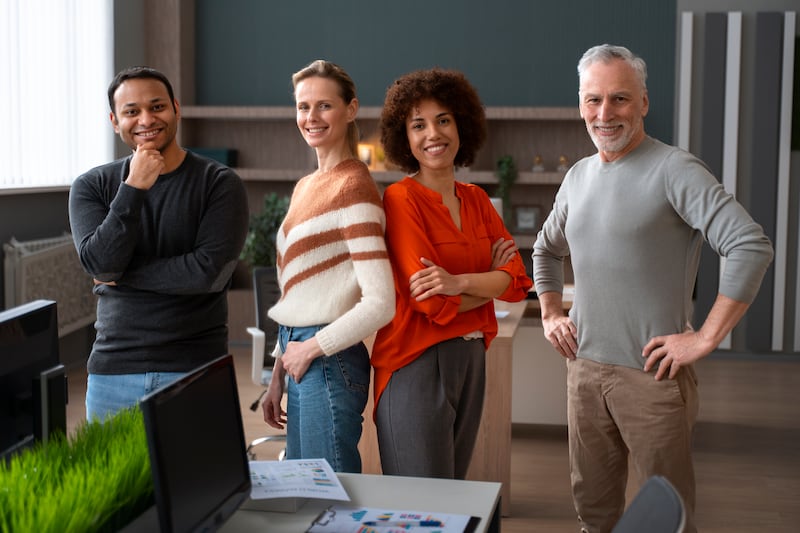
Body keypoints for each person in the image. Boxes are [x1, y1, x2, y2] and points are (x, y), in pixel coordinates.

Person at [532, 44, 774, 533]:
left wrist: (705, 337)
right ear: (580, 104)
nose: (605, 113)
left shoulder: (674, 169)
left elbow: (749, 244)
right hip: (583, 372)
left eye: (620, 99)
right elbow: (544, 250)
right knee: (594, 512)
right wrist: (551, 312)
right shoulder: (577, 176)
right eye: (593, 100)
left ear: (643, 102)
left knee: (666, 518)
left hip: (651, 377)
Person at [370, 68, 533, 479]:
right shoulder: (401, 200)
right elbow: (431, 301)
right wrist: (488, 281)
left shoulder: (477, 199)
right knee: (421, 502)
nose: (433, 134)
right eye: (418, 125)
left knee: (451, 494)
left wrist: (459, 282)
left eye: (443, 120)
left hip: (471, 358)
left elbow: (517, 280)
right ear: (404, 138)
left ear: (461, 124)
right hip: (416, 361)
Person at [69, 66, 249, 421]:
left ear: (176, 108)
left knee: (199, 478)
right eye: (132, 111)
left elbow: (206, 275)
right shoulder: (92, 186)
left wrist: (121, 276)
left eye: (157, 107)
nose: (146, 119)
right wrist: (133, 188)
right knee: (119, 480)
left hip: (196, 368)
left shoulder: (220, 183)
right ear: (114, 120)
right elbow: (102, 264)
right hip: (113, 372)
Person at [260, 60, 395, 473]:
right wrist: (278, 370)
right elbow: (299, 294)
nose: (310, 117)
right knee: (307, 494)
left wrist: (311, 350)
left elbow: (381, 303)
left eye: (324, 106)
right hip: (299, 352)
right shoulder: (307, 185)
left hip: (327, 359)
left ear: (350, 109)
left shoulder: (352, 186)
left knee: (330, 501)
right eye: (303, 107)